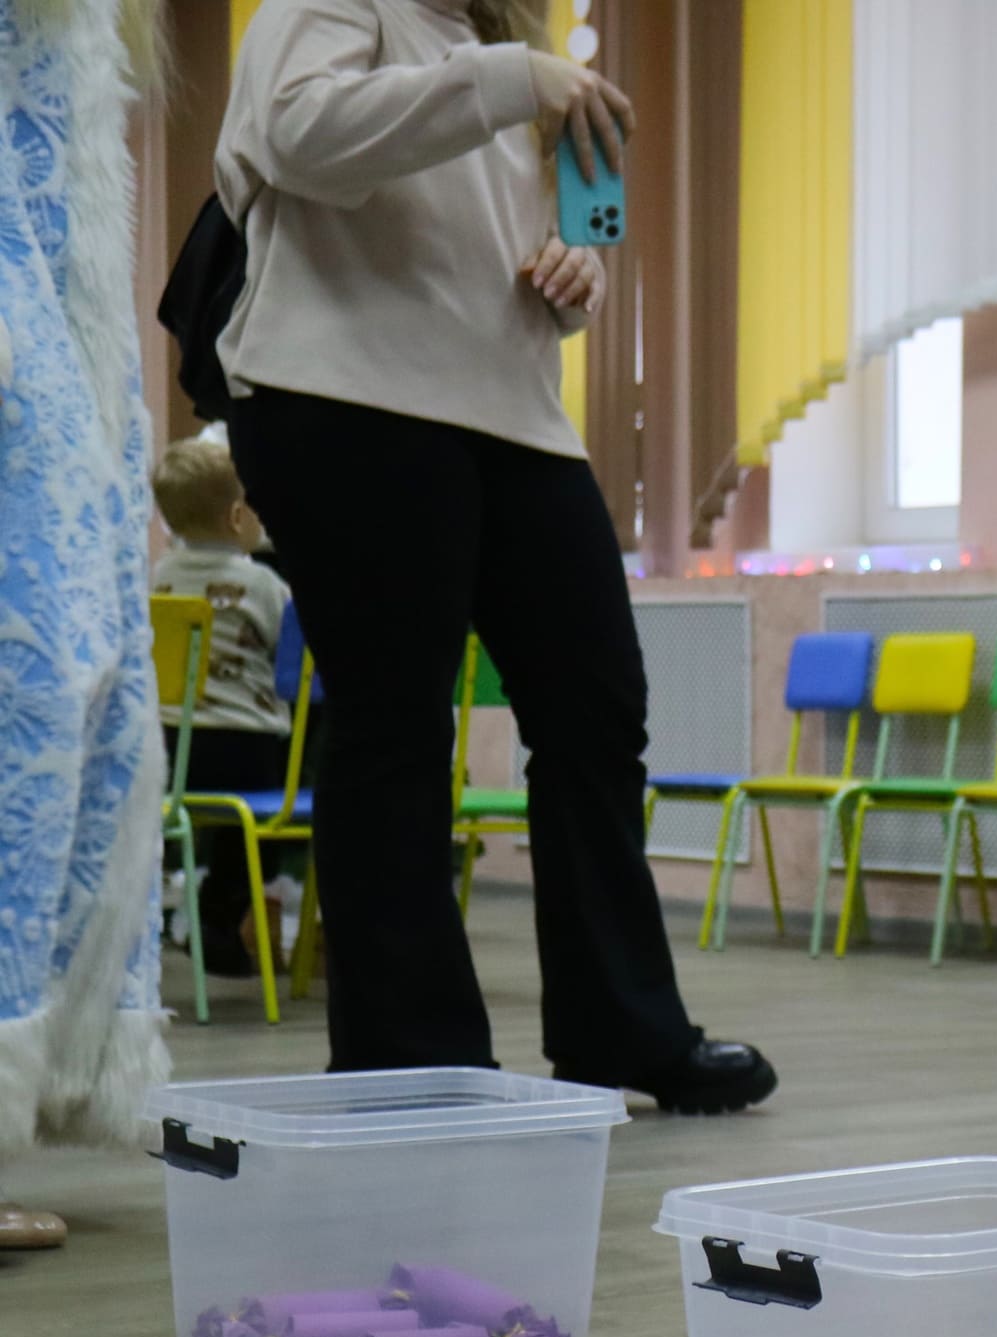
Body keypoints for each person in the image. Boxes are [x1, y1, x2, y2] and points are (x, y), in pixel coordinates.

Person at [216, 0, 773, 1111]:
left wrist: (576, 270)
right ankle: (409, 1061)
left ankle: (623, 1030)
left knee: (596, 713)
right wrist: (513, 79)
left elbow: (518, 231)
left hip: (515, 413)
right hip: (347, 396)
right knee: (396, 724)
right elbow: (293, 135)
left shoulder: (506, 49)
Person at [0, 0, 169, 1247]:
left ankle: (39, 1066)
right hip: (30, 353)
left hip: (65, 354)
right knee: (35, 694)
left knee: (79, 707)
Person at [151, 435, 295, 978]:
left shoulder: (160, 577)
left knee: (172, 818)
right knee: (260, 831)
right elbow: (291, 665)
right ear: (238, 516)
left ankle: (165, 909)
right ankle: (219, 913)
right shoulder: (264, 585)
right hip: (245, 748)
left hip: (170, 749)